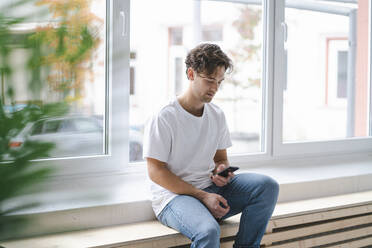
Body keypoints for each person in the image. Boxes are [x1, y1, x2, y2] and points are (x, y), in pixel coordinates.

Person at [143, 43, 279, 248]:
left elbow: (220, 159)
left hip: (210, 189)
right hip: (173, 198)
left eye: (219, 81)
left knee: (267, 186)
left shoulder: (216, 114)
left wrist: (221, 171)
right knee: (208, 231)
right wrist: (203, 196)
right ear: (191, 74)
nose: (215, 88)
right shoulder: (165, 116)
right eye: (209, 80)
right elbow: (155, 172)